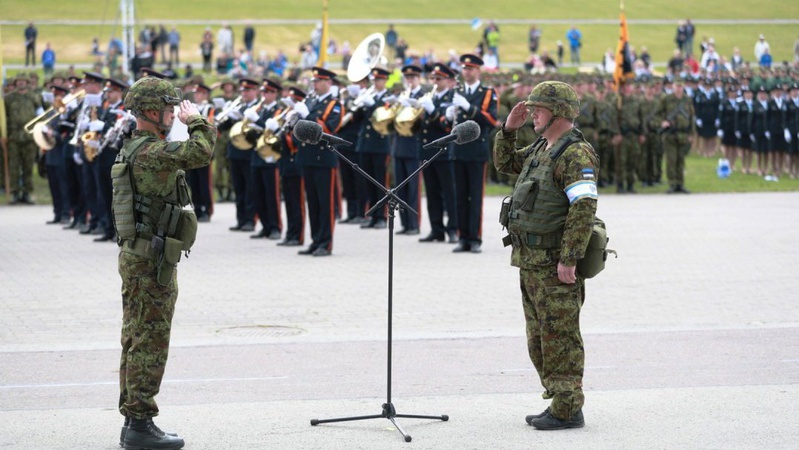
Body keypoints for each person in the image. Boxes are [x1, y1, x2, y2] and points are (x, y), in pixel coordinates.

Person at [114, 77, 215, 450]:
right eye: (170, 109)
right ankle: (140, 424)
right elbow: (201, 152)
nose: (174, 114)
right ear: (152, 112)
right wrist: (198, 121)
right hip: (150, 260)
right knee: (150, 340)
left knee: (135, 337)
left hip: (139, 255)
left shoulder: (135, 147)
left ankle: (133, 421)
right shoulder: (151, 152)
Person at [494, 80, 598, 431]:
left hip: (554, 262)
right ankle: (558, 399)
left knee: (561, 336)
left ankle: (569, 407)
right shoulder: (542, 147)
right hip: (530, 260)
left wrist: (569, 259)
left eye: (538, 108)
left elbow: (584, 207)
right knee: (539, 337)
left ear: (559, 112)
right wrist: (509, 130)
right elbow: (506, 163)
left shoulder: (575, 154)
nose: (532, 113)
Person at [444, 54, 498, 254]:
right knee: (460, 196)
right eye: (464, 68)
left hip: (476, 151)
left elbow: (491, 120)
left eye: (471, 68)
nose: (467, 72)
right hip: (457, 150)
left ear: (478, 71)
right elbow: (447, 123)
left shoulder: (487, 93)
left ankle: (475, 238)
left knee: (475, 197)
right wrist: (447, 116)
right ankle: (462, 237)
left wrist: (469, 108)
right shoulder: (456, 91)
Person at [294, 67, 343, 257]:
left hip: (324, 158)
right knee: (313, 202)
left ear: (328, 82)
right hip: (307, 157)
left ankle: (326, 243)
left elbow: (329, 128)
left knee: (326, 203)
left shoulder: (334, 104)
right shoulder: (312, 101)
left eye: (318, 81)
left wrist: (306, 116)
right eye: (313, 81)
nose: (314, 84)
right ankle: (315, 240)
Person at [4, 73, 43, 204]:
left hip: (30, 137)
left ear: (27, 82)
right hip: (13, 137)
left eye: (23, 81)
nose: (21, 83)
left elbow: (40, 115)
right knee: (14, 166)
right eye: (18, 81)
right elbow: (4, 118)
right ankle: (14, 192)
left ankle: (27, 193)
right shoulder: (9, 98)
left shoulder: (34, 97)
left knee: (28, 166)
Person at [657, 80, 695, 193]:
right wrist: (662, 122)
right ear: (673, 86)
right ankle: (672, 184)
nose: (679, 88)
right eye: (677, 86)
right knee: (671, 160)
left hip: (683, 134)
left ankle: (680, 183)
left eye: (681, 86)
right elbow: (657, 113)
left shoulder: (687, 100)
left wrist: (691, 133)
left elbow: (691, 117)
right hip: (670, 134)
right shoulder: (666, 99)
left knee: (681, 160)